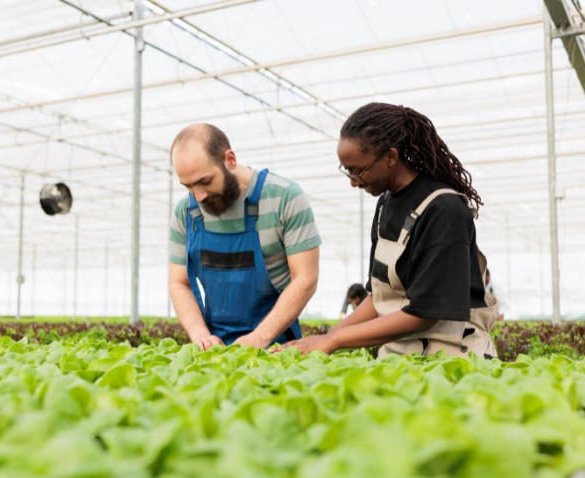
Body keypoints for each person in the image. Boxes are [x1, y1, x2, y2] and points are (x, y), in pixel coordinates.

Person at [272, 103, 498, 359]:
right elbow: (378, 297)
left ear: (391, 157)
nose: (352, 181)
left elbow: (426, 313)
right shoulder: (385, 206)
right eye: (347, 170)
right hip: (401, 353)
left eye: (358, 170)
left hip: (452, 355)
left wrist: (335, 340)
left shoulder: (443, 210)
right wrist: (325, 339)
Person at [168, 124, 322, 351]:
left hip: (276, 346)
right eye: (188, 186)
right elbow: (178, 283)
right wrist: (200, 335)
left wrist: (260, 337)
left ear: (230, 159)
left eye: (205, 181)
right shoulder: (185, 213)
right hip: (215, 348)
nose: (198, 196)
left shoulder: (285, 198)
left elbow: (306, 279)